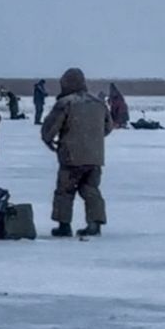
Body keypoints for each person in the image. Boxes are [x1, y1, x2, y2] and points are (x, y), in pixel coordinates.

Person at [40, 68, 112, 237]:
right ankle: (95, 223)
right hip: (94, 157)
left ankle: (64, 225)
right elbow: (108, 127)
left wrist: (49, 140)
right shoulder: (98, 103)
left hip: (71, 156)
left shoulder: (66, 103)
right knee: (91, 189)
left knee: (65, 191)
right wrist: (92, 139)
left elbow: (50, 128)